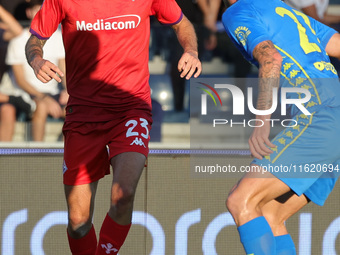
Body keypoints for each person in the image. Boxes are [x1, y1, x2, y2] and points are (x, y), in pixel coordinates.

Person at [25, 0, 201, 254]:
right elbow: (34, 40)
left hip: (131, 109)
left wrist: (191, 50)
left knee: (123, 194)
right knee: (78, 221)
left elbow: (181, 22)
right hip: (83, 114)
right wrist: (36, 60)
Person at [222, 0, 340, 254]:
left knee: (241, 200)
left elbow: (270, 58)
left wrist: (262, 122)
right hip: (332, 113)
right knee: (268, 216)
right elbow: (337, 44)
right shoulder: (279, 8)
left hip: (321, 114)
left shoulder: (238, 11)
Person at [5, 0, 66, 142]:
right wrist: (43, 97)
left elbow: (64, 69)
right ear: (29, 13)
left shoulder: (58, 36)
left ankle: (65, 155)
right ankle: (39, 153)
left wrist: (68, 91)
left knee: (76, 109)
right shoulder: (18, 40)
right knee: (42, 107)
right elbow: (20, 80)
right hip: (26, 94)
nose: (42, 14)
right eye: (37, 10)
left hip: (53, 93)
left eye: (44, 10)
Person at [0, 4, 35, 141]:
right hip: (6, 95)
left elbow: (16, 30)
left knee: (8, 110)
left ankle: (3, 158)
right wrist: (13, 99)